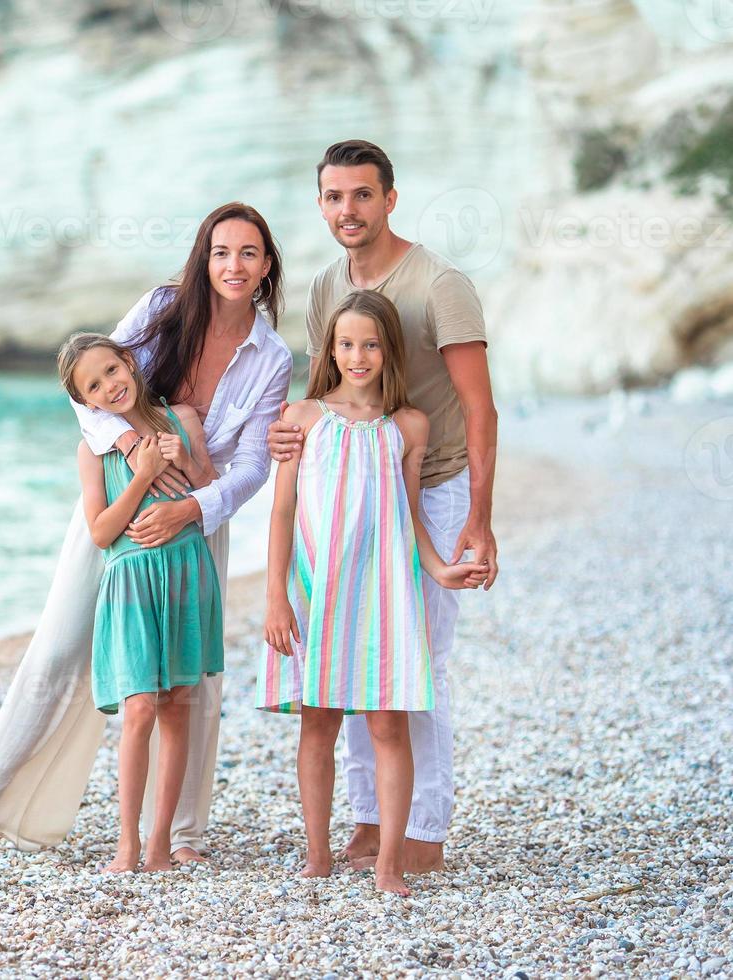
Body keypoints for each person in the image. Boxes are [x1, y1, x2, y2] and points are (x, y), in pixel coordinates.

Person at [0, 203, 292, 864]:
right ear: (204, 256)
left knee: (193, 684)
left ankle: (182, 835)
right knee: (58, 649)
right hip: (116, 510)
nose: (233, 266)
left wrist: (191, 508)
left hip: (197, 519)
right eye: (221, 252)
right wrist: (129, 442)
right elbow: (86, 384)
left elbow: (251, 466)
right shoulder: (163, 307)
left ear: (267, 263)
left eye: (248, 253)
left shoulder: (271, 356)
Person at [268, 139, 500, 874]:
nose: (348, 210)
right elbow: (318, 394)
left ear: (390, 198)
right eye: (334, 197)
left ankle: (424, 829)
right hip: (345, 499)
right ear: (321, 204)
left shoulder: (440, 283)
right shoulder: (324, 287)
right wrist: (287, 435)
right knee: (352, 661)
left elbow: (480, 407)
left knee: (411, 664)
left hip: (429, 487)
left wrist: (479, 519)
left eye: (362, 195)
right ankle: (370, 822)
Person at [58, 333, 225, 873]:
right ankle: (126, 842)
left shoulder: (183, 419)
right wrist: (144, 476)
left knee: (178, 705)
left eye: (112, 370)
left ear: (130, 362)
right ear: (85, 403)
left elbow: (210, 488)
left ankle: (160, 843)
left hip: (183, 572)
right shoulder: (95, 451)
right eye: (94, 385)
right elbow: (103, 531)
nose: (111, 385)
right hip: (131, 582)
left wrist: (190, 465)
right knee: (140, 708)